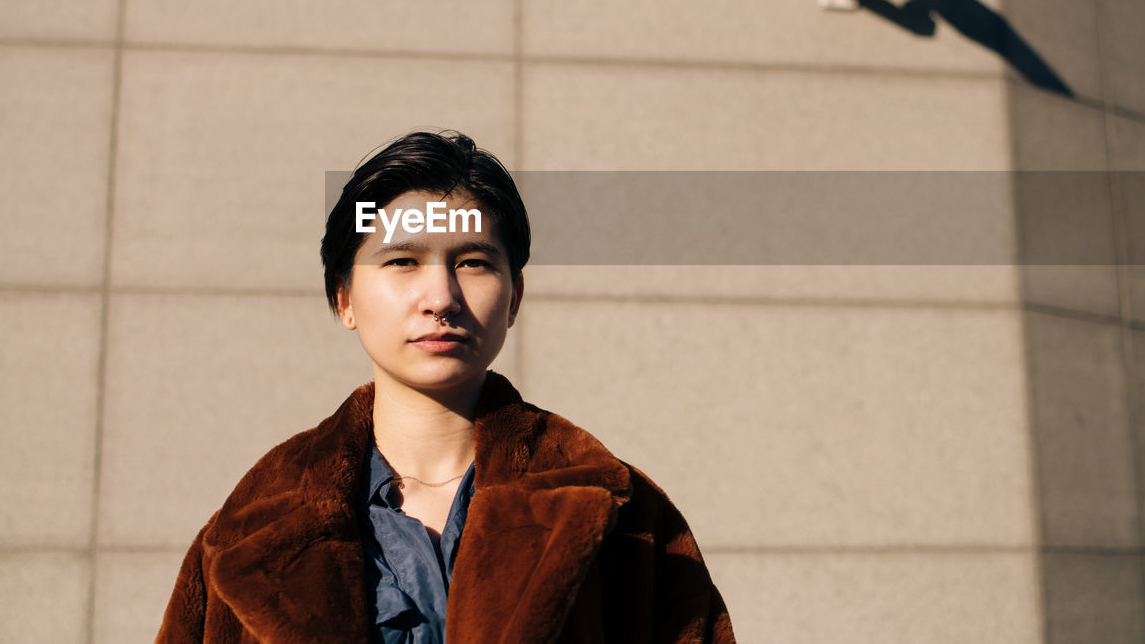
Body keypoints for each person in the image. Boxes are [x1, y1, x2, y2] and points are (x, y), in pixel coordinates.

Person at [156, 130, 735, 643]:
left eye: (474, 262)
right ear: (345, 299)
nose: (440, 298)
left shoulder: (622, 513)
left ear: (515, 298)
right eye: (402, 261)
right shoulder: (248, 527)